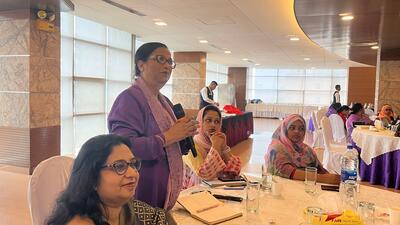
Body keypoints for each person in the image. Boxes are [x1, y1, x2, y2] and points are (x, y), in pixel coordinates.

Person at [108, 42, 199, 210]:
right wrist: (170, 135)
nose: (167, 66)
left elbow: (172, 144)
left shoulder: (164, 102)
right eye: (160, 59)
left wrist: (184, 135)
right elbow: (124, 147)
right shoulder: (129, 99)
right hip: (141, 184)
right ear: (140, 65)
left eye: (170, 62)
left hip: (164, 183)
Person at [46, 134, 176, 225]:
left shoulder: (129, 208)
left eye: (133, 164)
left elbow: (160, 218)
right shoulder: (78, 222)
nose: (133, 173)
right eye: (119, 166)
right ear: (91, 177)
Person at [264, 114, 340, 184]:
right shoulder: (276, 148)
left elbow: (320, 170)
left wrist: (333, 178)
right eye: (292, 128)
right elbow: (285, 171)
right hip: (283, 189)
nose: (297, 131)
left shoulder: (306, 150)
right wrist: (323, 179)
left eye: (301, 129)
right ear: (285, 129)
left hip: (307, 187)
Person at [182, 105, 241, 188]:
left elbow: (235, 171)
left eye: (217, 121)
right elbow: (204, 175)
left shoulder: (216, 140)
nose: (213, 125)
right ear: (200, 122)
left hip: (215, 188)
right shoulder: (190, 145)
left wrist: (223, 147)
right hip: (193, 192)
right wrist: (216, 146)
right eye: (208, 120)